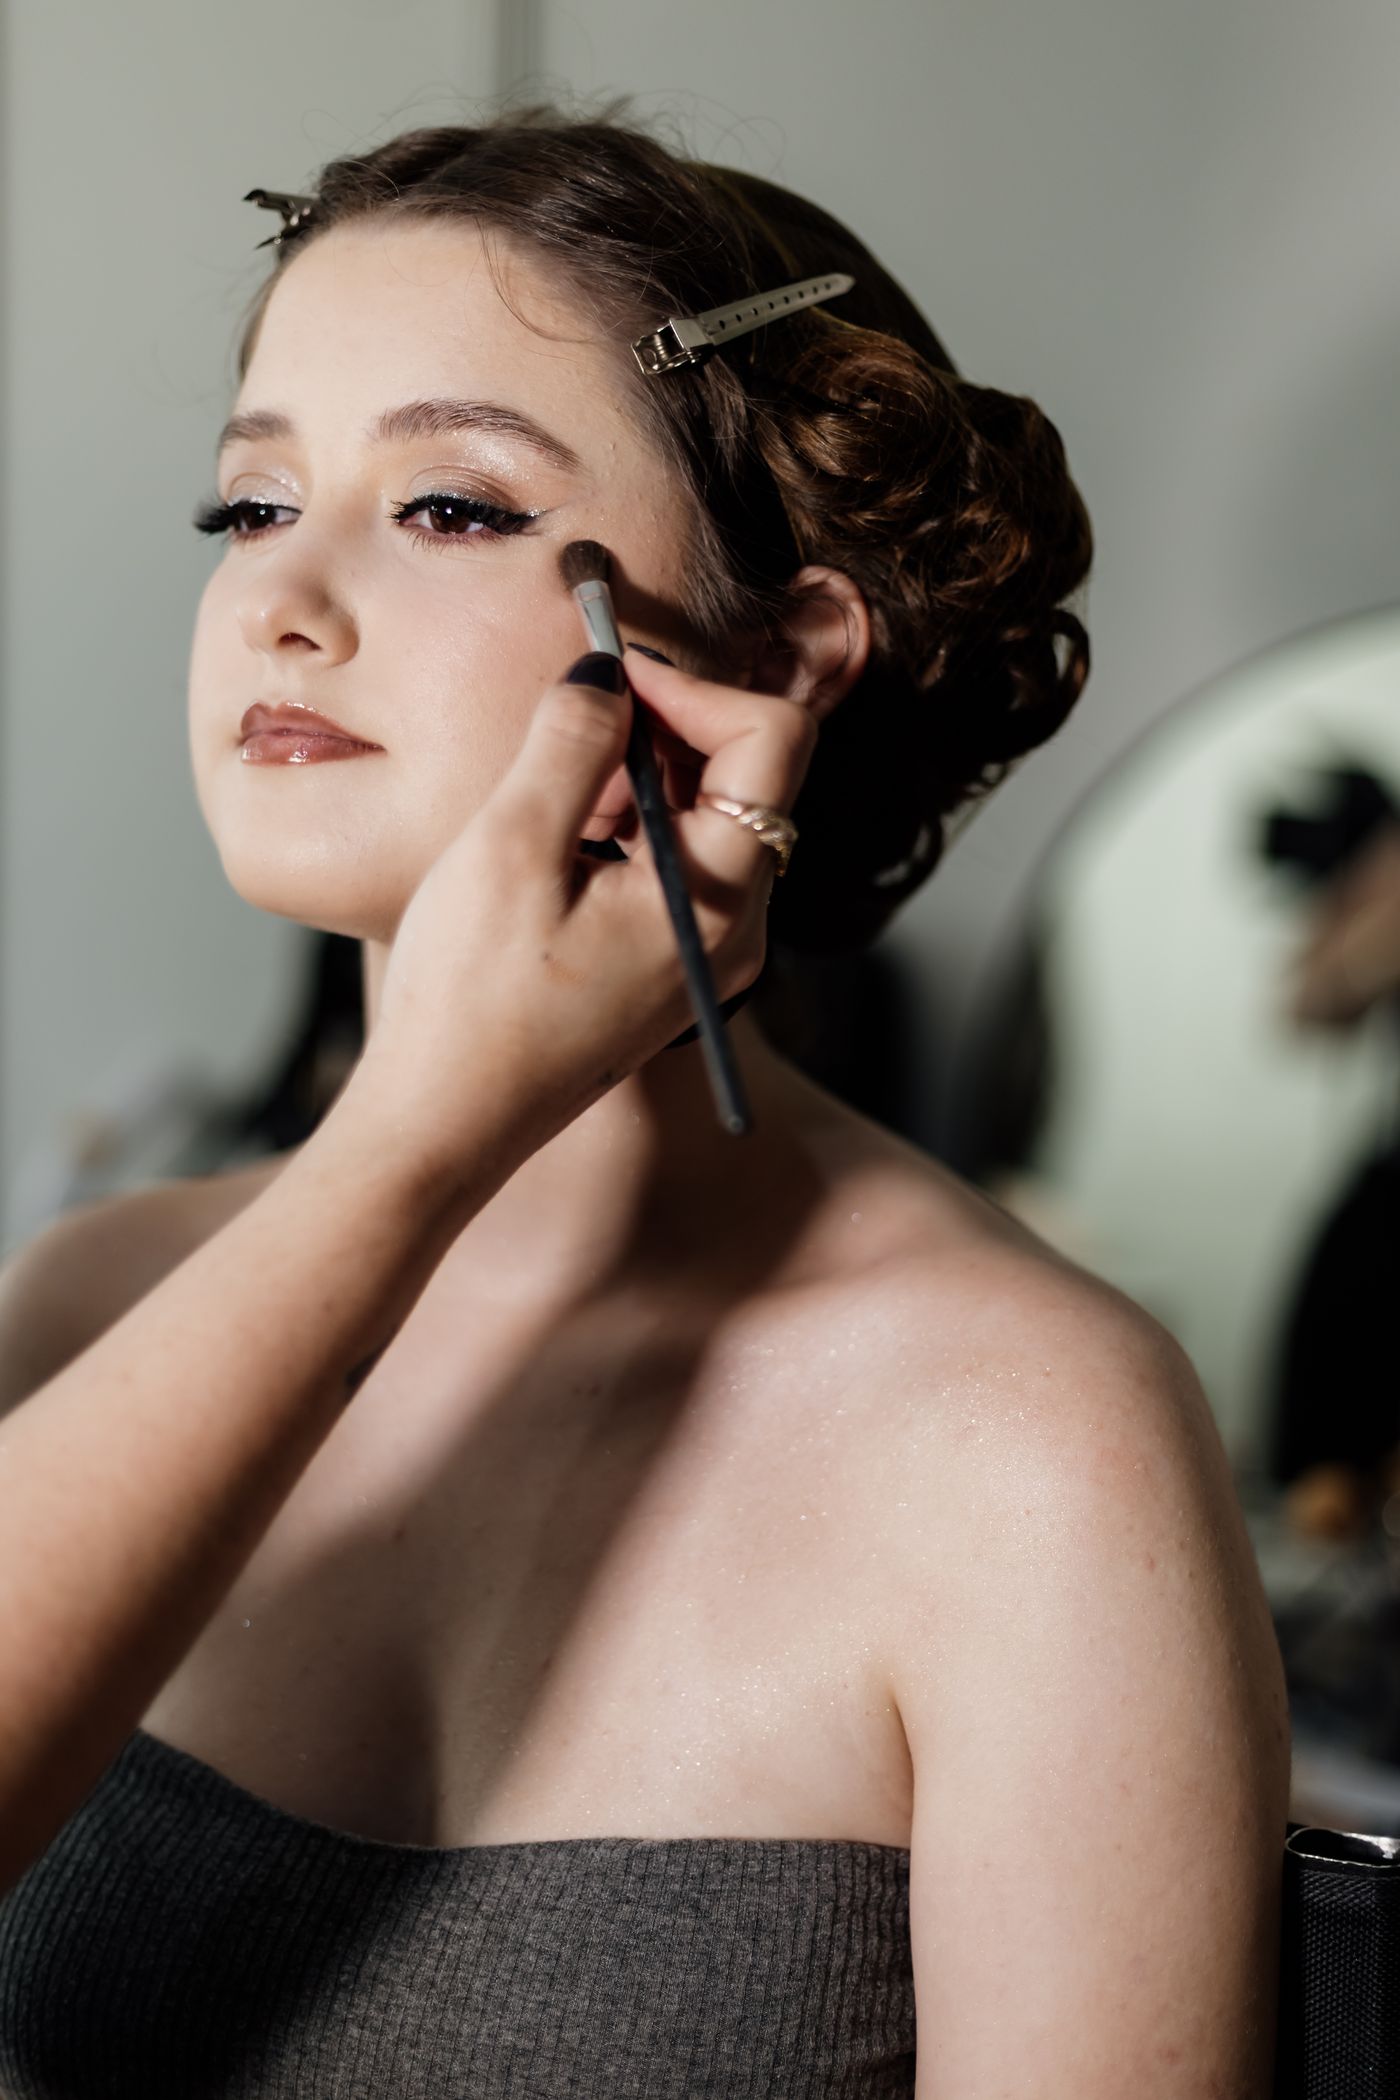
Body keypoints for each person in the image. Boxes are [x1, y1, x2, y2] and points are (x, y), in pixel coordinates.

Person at [0, 97, 1289, 2099]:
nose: (280, 601)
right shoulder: (89, 1309)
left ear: (782, 657)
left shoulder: (1032, 1454)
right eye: (247, 505)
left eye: (452, 507)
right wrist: (412, 1146)